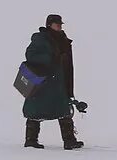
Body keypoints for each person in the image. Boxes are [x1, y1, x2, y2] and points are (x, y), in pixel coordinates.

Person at [22, 14, 84, 150]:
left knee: (64, 110)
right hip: (44, 82)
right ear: (49, 24)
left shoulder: (63, 39)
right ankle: (31, 140)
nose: (60, 26)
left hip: (60, 80)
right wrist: (51, 58)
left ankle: (69, 141)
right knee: (35, 110)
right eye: (57, 24)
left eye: (60, 24)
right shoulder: (41, 39)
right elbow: (31, 55)